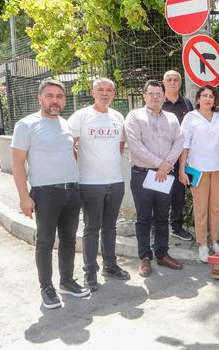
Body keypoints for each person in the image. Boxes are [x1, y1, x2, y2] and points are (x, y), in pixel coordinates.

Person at [12, 78, 90, 309]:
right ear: (40, 98)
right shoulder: (26, 125)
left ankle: (66, 281)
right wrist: (24, 196)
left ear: (63, 100)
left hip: (71, 191)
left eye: (59, 96)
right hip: (44, 194)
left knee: (68, 239)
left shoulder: (66, 124)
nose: (54, 100)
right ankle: (46, 287)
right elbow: (17, 163)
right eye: (50, 96)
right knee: (45, 242)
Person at [67, 78, 130, 292]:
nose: (105, 93)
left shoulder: (117, 117)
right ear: (92, 93)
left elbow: (120, 146)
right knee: (92, 228)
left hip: (115, 181)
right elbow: (69, 145)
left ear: (114, 93)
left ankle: (110, 266)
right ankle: (90, 273)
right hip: (90, 183)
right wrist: (83, 162)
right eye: (100, 89)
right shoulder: (81, 116)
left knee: (110, 226)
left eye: (109, 90)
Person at [125, 79, 184, 277]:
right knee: (143, 218)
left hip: (164, 175)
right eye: (151, 93)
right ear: (144, 96)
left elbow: (179, 142)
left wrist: (166, 165)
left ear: (164, 96)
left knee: (161, 215)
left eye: (159, 94)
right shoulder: (135, 116)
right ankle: (144, 257)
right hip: (143, 174)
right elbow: (134, 145)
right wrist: (161, 164)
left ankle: (162, 253)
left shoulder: (171, 118)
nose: (155, 97)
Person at [179, 85, 219, 263]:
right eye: (204, 95)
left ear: (215, 100)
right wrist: (181, 169)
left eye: (211, 96)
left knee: (216, 208)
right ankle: (202, 244)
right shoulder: (190, 118)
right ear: (198, 99)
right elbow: (184, 144)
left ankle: (215, 241)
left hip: (218, 168)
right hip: (196, 169)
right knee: (200, 209)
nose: (207, 99)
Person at [162, 70, 194, 241]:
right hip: (162, 158)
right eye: (169, 79)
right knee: (159, 193)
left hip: (182, 157)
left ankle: (176, 226)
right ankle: (157, 229)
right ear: (164, 82)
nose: (173, 82)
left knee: (178, 195)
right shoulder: (159, 102)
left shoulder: (187, 104)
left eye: (176, 80)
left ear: (180, 83)